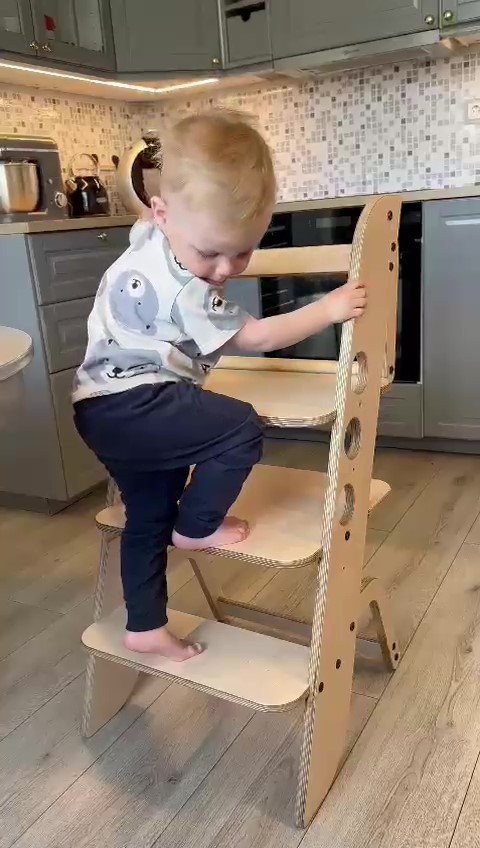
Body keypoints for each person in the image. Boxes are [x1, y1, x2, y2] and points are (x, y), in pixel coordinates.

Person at [73, 110, 366, 662]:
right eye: (211, 251)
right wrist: (328, 308)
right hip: (138, 400)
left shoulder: (147, 234)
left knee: (147, 518)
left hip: (96, 407)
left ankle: (145, 626)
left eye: (244, 250)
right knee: (239, 428)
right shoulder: (186, 289)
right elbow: (255, 336)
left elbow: (173, 200)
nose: (226, 269)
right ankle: (197, 525)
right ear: (162, 212)